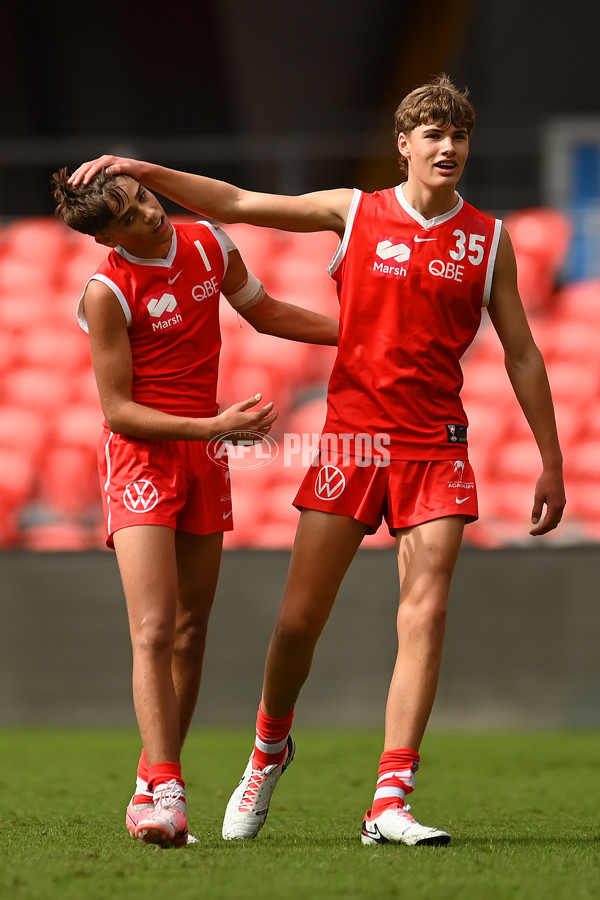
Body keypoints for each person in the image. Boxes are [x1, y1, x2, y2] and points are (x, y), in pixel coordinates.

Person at [69, 74, 566, 848]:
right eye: (432, 134)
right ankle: (268, 749)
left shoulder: (490, 238)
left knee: (426, 611)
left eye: (457, 135)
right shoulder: (354, 210)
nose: (447, 147)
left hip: (437, 444)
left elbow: (526, 356)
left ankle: (388, 798)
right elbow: (236, 203)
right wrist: (145, 172)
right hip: (352, 440)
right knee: (298, 624)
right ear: (404, 145)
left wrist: (551, 461)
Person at [52, 166, 338, 848]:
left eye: (145, 198)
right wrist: (212, 428)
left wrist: (356, 336)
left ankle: (150, 786)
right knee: (152, 629)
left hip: (204, 453)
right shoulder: (106, 293)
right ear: (107, 237)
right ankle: (170, 790)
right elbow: (118, 411)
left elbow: (264, 312)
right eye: (129, 215)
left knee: (190, 628)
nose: (150, 215)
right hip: (145, 457)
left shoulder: (209, 241)